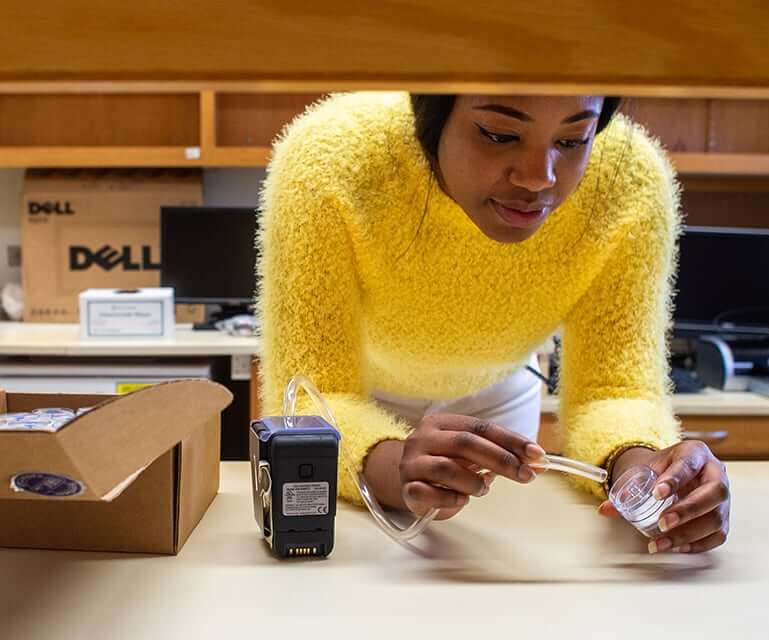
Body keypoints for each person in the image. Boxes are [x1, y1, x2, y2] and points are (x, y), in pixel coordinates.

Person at [256, 91, 731, 555]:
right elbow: (308, 397)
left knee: (499, 557)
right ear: (431, 110)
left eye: (572, 140)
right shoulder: (333, 158)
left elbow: (614, 391)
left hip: (497, 401)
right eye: (499, 134)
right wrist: (393, 465)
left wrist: (651, 476)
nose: (537, 178)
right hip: (359, 401)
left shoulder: (628, 178)